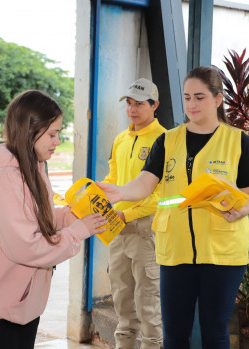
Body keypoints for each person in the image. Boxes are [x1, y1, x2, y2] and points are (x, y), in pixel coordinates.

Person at [98, 66, 249, 349]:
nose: (192, 105)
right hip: (175, 251)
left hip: (222, 252)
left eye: (199, 97)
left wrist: (241, 210)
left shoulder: (238, 141)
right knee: (174, 335)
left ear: (217, 99)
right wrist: (120, 191)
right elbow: (145, 183)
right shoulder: (168, 140)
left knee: (214, 333)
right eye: (187, 98)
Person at [0, 90, 108, 349]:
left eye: (58, 133)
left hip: (19, 304)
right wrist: (78, 231)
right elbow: (26, 247)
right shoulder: (5, 180)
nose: (57, 141)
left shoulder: (34, 168)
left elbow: (38, 217)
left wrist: (73, 215)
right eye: (52, 134)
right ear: (29, 131)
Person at [102, 78, 166, 349]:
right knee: (122, 304)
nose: (132, 109)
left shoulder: (165, 140)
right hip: (117, 228)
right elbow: (114, 179)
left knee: (149, 307)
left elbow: (163, 194)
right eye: (129, 103)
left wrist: (130, 214)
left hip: (145, 229)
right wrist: (97, 200)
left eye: (139, 104)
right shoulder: (121, 139)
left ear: (155, 105)